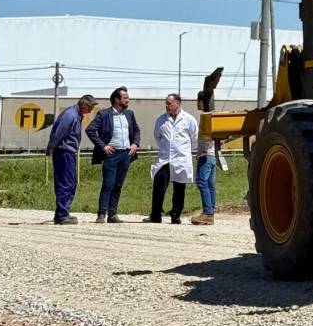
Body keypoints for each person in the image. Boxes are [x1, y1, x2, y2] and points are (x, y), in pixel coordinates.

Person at [85, 86, 140, 224]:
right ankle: (101, 214)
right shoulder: (104, 114)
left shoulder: (129, 114)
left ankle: (113, 214)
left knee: (118, 185)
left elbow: (136, 130)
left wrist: (135, 144)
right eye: (125, 97)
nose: (128, 99)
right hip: (111, 155)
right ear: (117, 100)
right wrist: (103, 146)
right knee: (108, 184)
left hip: (126, 154)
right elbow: (90, 130)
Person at [145, 93, 198, 224]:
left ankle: (176, 215)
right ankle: (156, 215)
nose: (167, 106)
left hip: (181, 159)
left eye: (169, 103)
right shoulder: (161, 120)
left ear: (178, 103)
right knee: (159, 186)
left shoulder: (189, 120)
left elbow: (195, 139)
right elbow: (158, 137)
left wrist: (182, 149)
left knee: (179, 189)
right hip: (165, 159)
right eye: (166, 104)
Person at [44, 95, 97, 225]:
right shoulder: (70, 115)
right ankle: (62, 215)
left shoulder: (75, 114)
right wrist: (51, 147)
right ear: (83, 103)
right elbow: (59, 133)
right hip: (64, 152)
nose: (90, 111)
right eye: (90, 107)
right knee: (66, 183)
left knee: (71, 183)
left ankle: (64, 212)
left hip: (68, 152)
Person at [190, 92, 216, 226]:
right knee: (210, 184)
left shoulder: (206, 117)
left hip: (205, 155)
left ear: (202, 101)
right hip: (212, 155)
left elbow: (210, 134)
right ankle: (210, 212)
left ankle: (207, 213)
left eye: (197, 100)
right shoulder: (211, 115)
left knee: (201, 182)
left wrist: (204, 150)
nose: (196, 103)